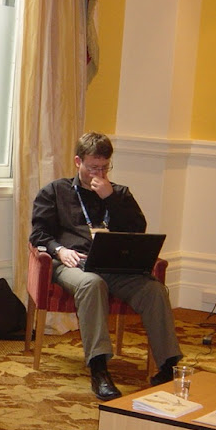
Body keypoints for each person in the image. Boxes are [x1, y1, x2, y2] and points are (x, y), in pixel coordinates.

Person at [29, 132, 182, 401]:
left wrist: (110, 198)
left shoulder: (120, 194)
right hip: (75, 265)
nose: (98, 174)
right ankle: (99, 368)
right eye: (92, 167)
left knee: (154, 290)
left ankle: (169, 365)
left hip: (115, 267)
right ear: (78, 162)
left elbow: (137, 230)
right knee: (92, 284)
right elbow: (39, 234)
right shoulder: (55, 191)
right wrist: (60, 250)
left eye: (104, 167)